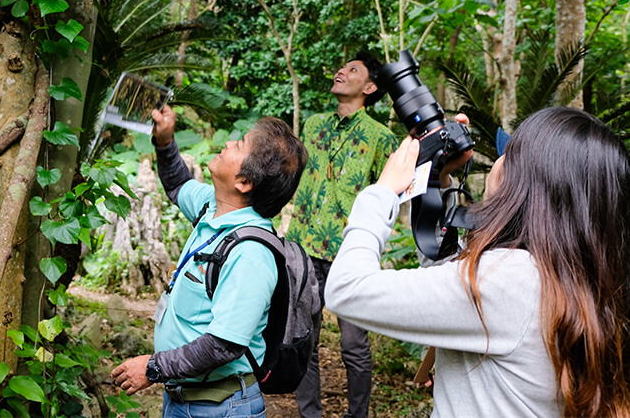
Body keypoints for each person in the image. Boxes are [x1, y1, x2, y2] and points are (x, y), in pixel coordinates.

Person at [325, 106, 630, 417]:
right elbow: (449, 271)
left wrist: (382, 192)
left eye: (508, 154)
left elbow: (347, 289)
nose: (498, 162)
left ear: (527, 183)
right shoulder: (571, 278)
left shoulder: (509, 281)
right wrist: (437, 179)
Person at [111, 104, 308, 417]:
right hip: (185, 398)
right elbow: (177, 184)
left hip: (218, 408)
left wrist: (153, 368)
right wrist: (165, 141)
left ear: (244, 182)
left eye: (240, 145)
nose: (229, 143)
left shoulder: (251, 254)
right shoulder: (212, 206)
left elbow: (224, 345)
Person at [285, 50, 398, 418]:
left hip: (350, 254)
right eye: (342, 67)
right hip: (303, 247)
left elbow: (391, 193)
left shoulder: (381, 138)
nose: (341, 71)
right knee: (305, 341)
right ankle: (310, 414)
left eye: (353, 70)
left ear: (369, 87)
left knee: (353, 345)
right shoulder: (314, 124)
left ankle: (358, 415)